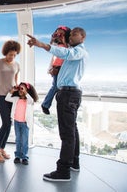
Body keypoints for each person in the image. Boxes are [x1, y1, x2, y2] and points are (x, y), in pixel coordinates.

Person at [27, 27, 88, 181]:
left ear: (83, 38)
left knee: (67, 135)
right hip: (69, 93)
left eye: (75, 34)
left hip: (68, 95)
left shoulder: (78, 52)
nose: (71, 36)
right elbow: (65, 57)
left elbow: (65, 53)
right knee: (72, 130)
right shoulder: (73, 53)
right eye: (71, 34)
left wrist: (41, 45)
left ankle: (63, 171)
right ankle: (74, 163)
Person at [0, 40, 21, 163]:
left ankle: (2, 149)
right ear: (5, 52)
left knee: (9, 124)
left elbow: (16, 82)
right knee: (6, 123)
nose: (11, 57)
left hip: (13, 96)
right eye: (9, 54)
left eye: (14, 54)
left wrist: (18, 92)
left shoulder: (17, 65)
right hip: (1, 95)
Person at [5, 82, 38, 165]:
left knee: (24, 141)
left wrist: (25, 92)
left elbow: (31, 100)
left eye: (22, 88)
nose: (20, 90)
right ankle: (17, 156)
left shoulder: (28, 101)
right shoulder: (16, 99)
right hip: (16, 122)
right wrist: (12, 91)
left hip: (25, 123)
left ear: (27, 90)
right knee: (18, 140)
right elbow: (7, 98)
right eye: (20, 88)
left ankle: (24, 157)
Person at [41, 26, 71, 115]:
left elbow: (67, 51)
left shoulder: (68, 46)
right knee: (55, 86)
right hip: (56, 68)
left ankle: (47, 104)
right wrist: (54, 37)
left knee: (59, 87)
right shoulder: (57, 45)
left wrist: (63, 40)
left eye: (61, 34)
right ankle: (45, 104)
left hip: (63, 69)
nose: (59, 35)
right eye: (57, 33)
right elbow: (50, 46)